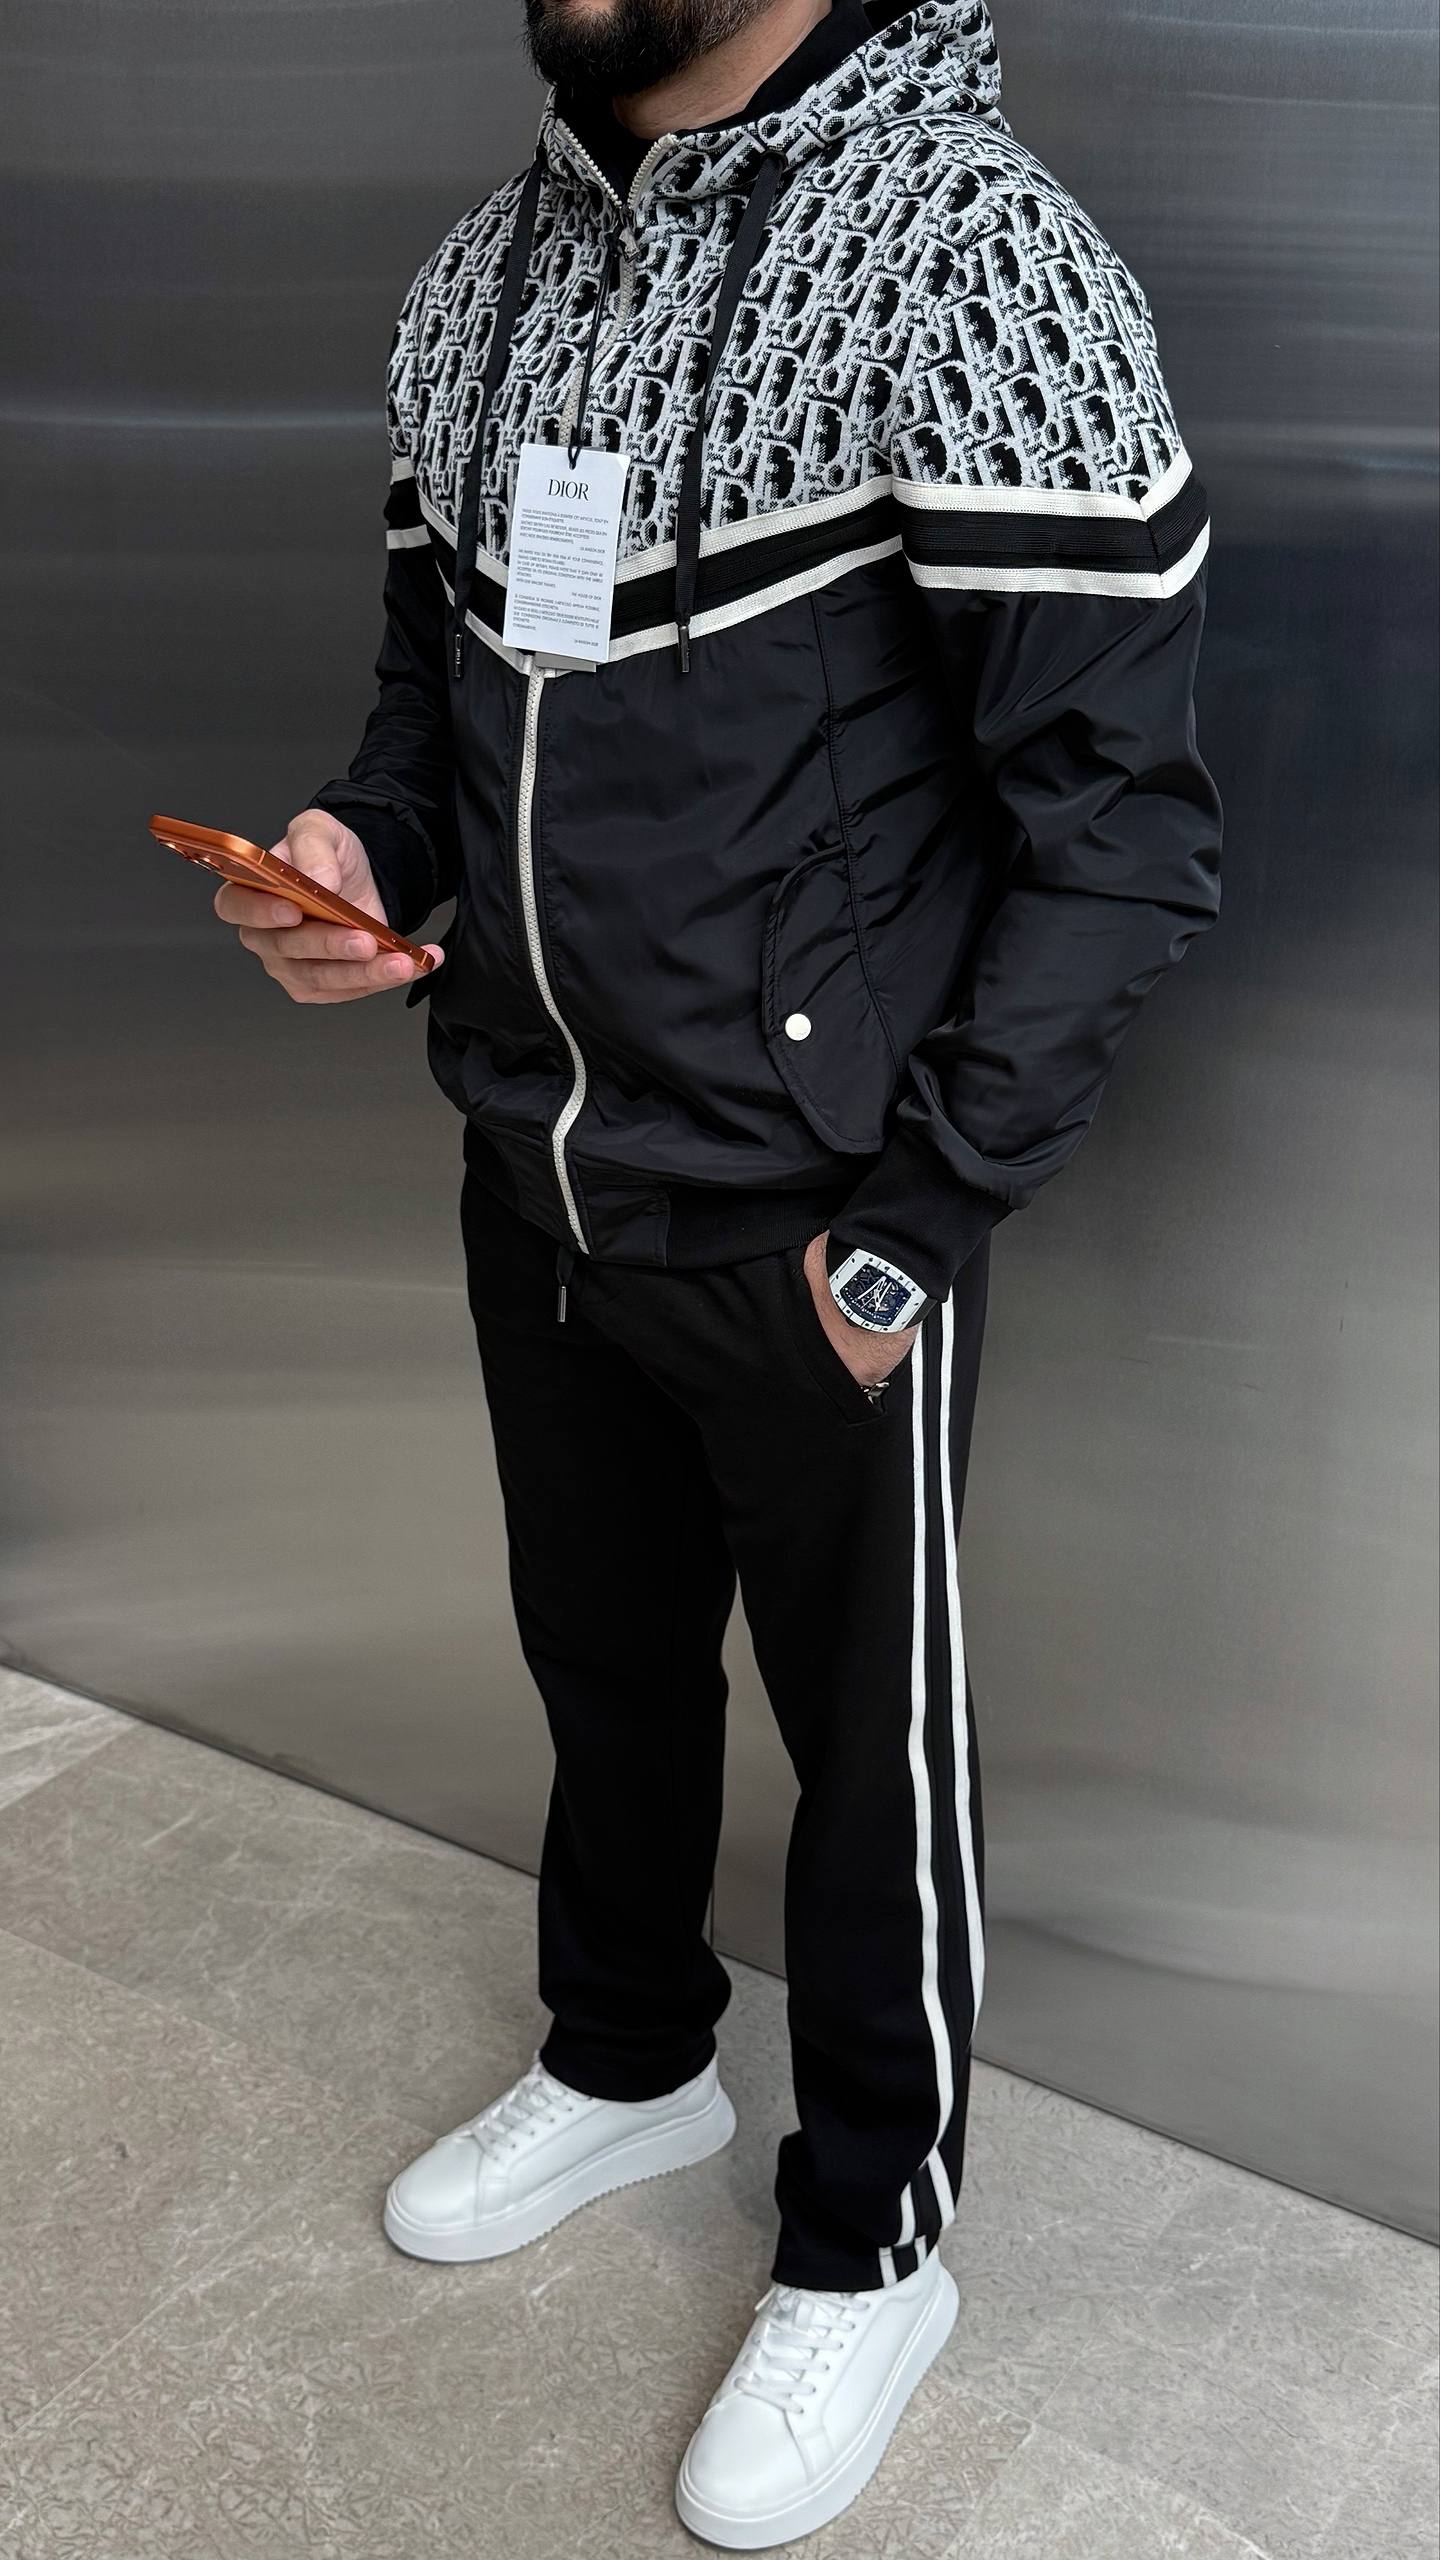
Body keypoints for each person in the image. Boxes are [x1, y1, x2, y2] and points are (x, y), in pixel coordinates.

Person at [214, 0, 1222, 2543]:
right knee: (607, 1663)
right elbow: (423, 713)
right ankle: (627, 2051)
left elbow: (1120, 832)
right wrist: (355, 858)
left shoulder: (980, 269)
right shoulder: (482, 281)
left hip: (815, 1222)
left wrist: (905, 1234)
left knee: (868, 1757)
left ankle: (873, 2236)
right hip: (539, 1165)